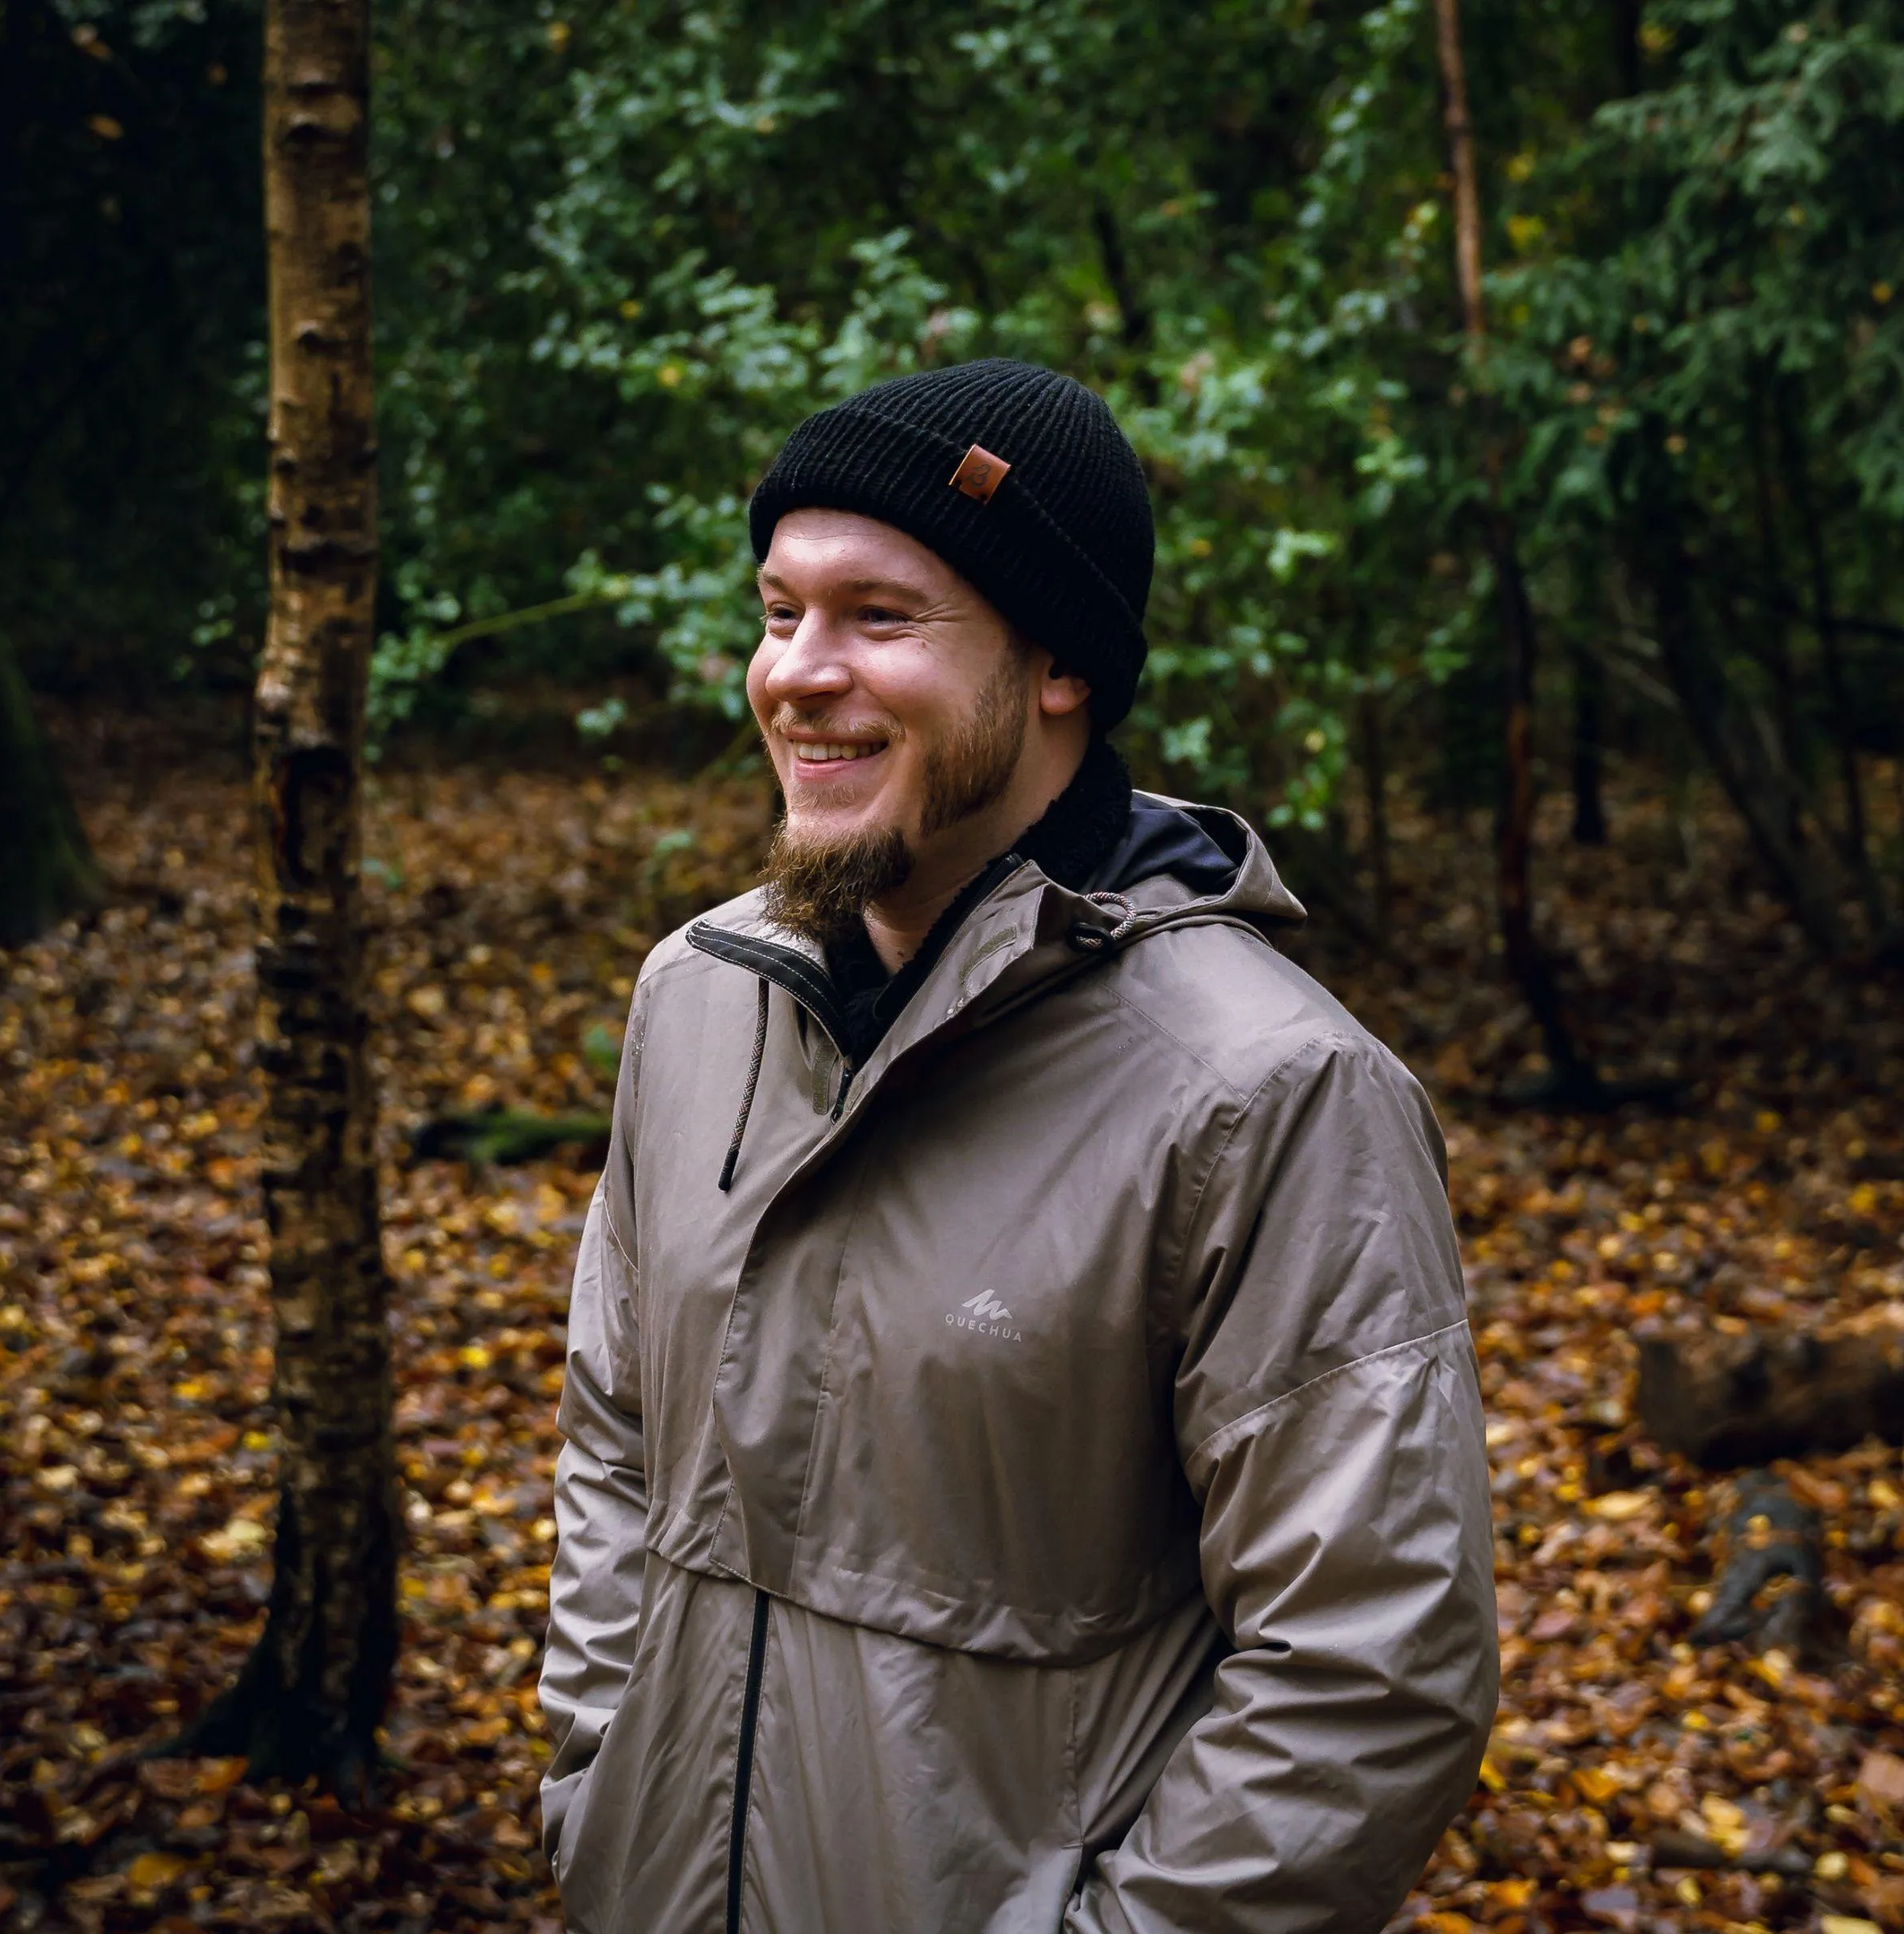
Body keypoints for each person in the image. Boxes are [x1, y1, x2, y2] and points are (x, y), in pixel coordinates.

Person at [539, 358, 1498, 1934]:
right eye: (780, 612)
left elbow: (1368, 1666)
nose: (796, 672)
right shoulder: (696, 999)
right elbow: (613, 1442)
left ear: (1059, 664)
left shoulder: (1268, 1090)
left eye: (881, 617)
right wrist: (598, 1783)